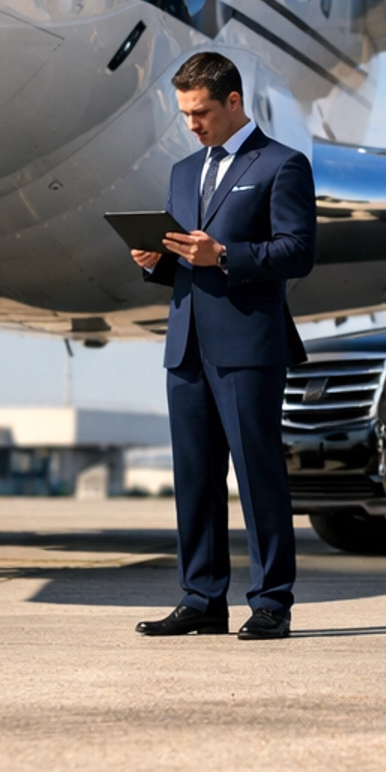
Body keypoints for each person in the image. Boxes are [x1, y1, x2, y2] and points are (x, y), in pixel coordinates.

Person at [131, 52, 315, 640]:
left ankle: (271, 602)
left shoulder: (283, 165)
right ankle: (202, 598)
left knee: (257, 476)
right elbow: (187, 262)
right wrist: (155, 263)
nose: (193, 124)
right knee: (194, 477)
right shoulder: (184, 172)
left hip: (248, 347)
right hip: (185, 343)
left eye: (202, 111)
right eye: (185, 113)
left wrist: (228, 255)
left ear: (233, 102)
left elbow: (298, 252)